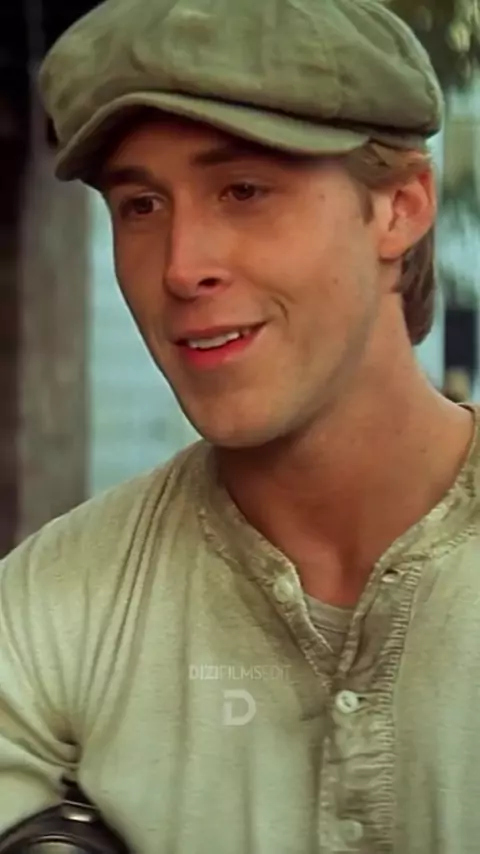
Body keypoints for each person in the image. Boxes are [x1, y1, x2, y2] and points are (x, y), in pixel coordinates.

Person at [1, 0, 479, 850]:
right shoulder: (53, 609)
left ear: (400, 207)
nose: (182, 267)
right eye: (141, 205)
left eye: (245, 190)